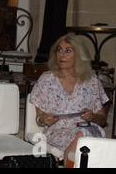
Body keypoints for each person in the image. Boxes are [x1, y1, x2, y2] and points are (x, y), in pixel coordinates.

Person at [30, 34, 109, 163]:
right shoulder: (47, 79)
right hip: (58, 133)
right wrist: (45, 118)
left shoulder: (91, 81)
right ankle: (70, 161)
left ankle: (70, 161)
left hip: (87, 130)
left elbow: (102, 119)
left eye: (68, 51)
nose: (62, 54)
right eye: (59, 50)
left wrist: (92, 117)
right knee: (84, 139)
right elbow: (39, 119)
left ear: (79, 55)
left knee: (86, 134)